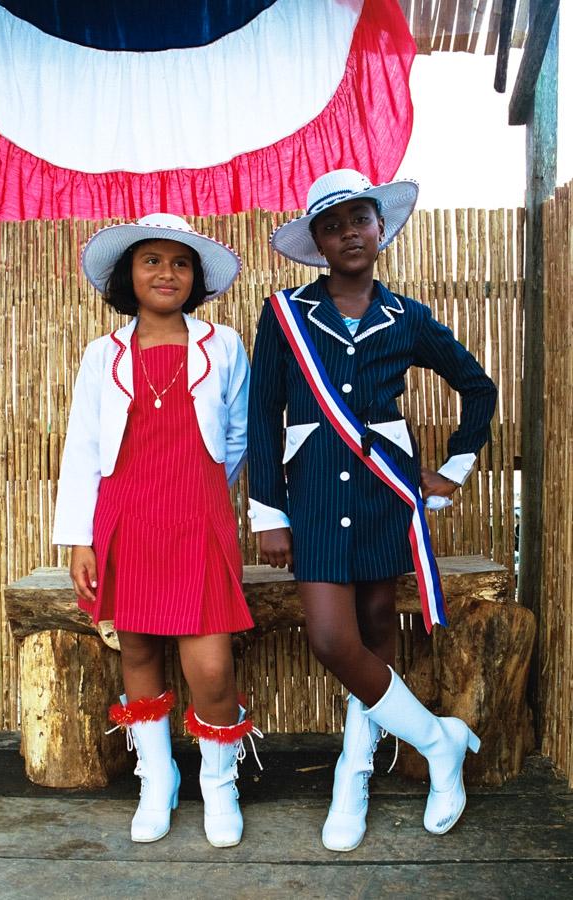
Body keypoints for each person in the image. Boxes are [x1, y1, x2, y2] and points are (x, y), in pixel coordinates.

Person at [247, 169, 497, 852]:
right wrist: (267, 511)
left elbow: (479, 388)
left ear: (380, 229)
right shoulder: (286, 315)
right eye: (333, 225)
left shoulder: (409, 317)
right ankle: (439, 741)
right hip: (318, 495)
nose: (349, 233)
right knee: (332, 639)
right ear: (318, 243)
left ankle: (353, 775)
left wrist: (453, 470)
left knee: (377, 623)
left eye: (360, 219)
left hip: (386, 495)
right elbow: (264, 412)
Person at [53, 213, 260, 848]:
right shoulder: (102, 355)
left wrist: (202, 496)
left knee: (212, 668)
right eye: (152, 261)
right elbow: (84, 448)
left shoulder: (222, 347)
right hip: (125, 516)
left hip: (196, 518)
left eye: (180, 263)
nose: (166, 273)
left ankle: (218, 785)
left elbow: (238, 436)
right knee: (138, 648)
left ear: (195, 278)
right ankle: (158, 778)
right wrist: (81, 536)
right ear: (128, 276)